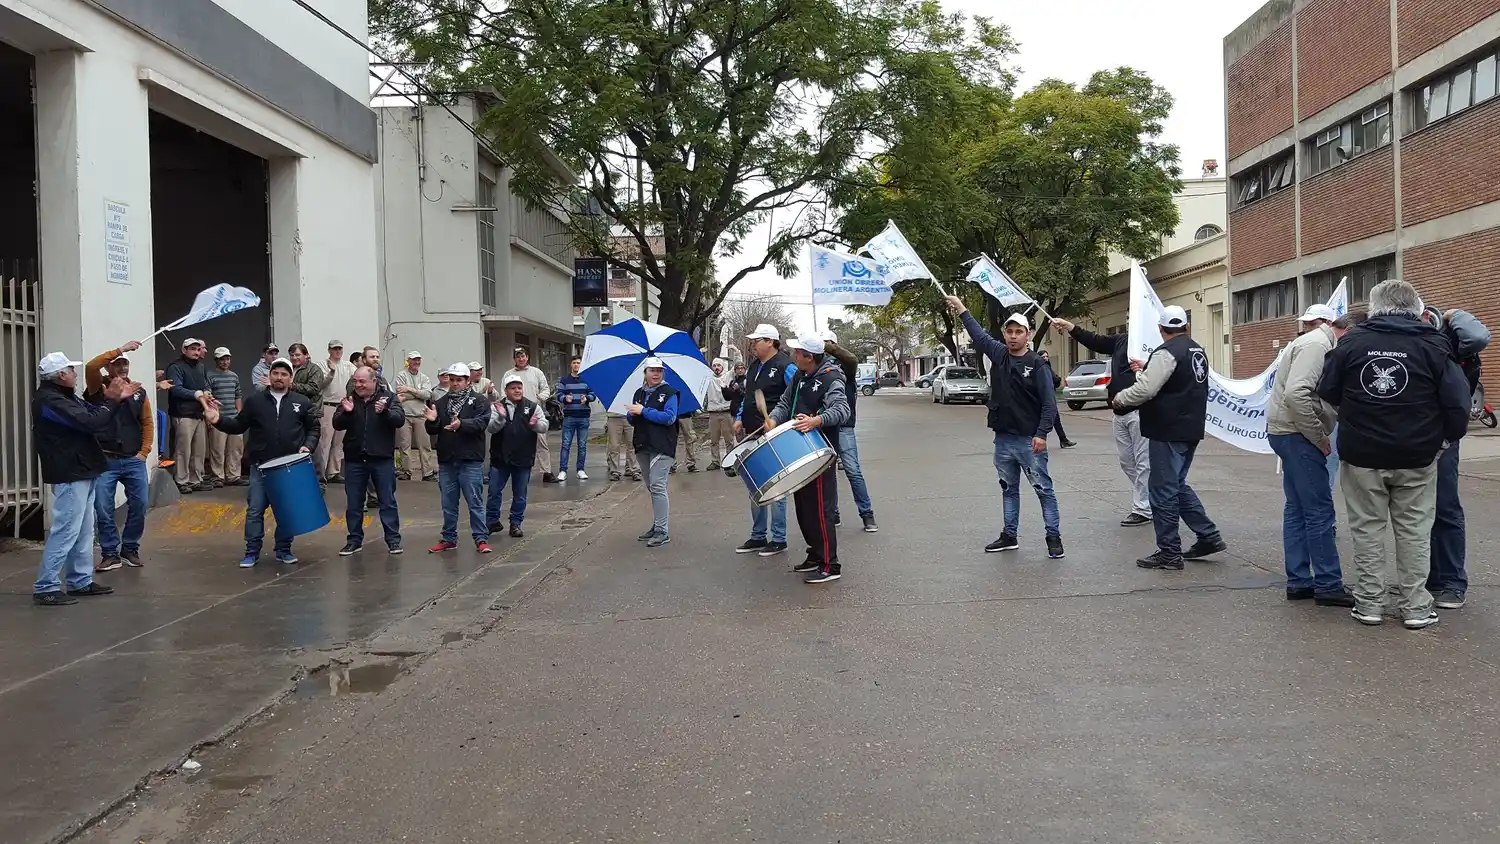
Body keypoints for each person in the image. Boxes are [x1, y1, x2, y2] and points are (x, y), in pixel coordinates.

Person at [1317, 280, 1469, 629]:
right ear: (1415, 307)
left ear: (1374, 307)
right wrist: (1445, 439)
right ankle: (1415, 607)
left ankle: (1369, 603)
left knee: (1367, 529)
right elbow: (1458, 402)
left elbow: (1327, 389)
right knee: (1414, 530)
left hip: (1362, 455)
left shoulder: (1352, 341)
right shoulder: (1433, 343)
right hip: (1417, 454)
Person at [945, 297, 1065, 559]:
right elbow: (978, 335)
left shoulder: (1037, 365)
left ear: (1028, 335)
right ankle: (1009, 535)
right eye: (1009, 332)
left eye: (1018, 332)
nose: (1013, 336)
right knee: (1008, 489)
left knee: (1043, 490)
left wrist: (1042, 434)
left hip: (1029, 441)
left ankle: (1053, 538)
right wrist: (962, 308)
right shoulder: (999, 355)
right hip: (1003, 440)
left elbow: (1049, 403)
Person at [1112, 305, 1225, 570]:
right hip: (1190, 427)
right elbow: (1174, 381)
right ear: (1186, 326)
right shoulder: (1196, 350)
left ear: (1161, 329)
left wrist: (1120, 399)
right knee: (1177, 485)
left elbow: (1147, 389)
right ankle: (1208, 535)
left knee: (1162, 490)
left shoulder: (1166, 352)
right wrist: (1146, 369)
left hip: (1167, 429)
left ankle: (1169, 552)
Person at [31, 352, 139, 605]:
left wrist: (113, 400)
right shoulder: (50, 401)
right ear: (61, 375)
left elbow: (93, 414)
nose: (75, 373)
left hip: (82, 468)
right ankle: (46, 585)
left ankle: (80, 580)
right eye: (71, 370)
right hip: (70, 471)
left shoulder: (62, 397)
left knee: (83, 531)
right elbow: (91, 422)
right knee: (67, 530)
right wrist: (112, 400)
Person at [1267, 303, 1353, 606]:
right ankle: (1328, 583)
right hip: (1297, 434)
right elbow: (1297, 393)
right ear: (1344, 330)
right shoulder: (1317, 345)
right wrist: (1319, 436)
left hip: (1285, 432)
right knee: (1318, 511)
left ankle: (1300, 580)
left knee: (1298, 509)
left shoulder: (1310, 342)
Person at [205, 358, 321, 567]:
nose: (279, 377)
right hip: (260, 467)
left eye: (284, 374)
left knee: (286, 509)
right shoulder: (254, 401)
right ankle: (251, 551)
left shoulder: (302, 402)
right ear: (269, 376)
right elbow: (238, 425)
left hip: (289, 467)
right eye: (276, 373)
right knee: (255, 510)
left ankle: (284, 549)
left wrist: (308, 446)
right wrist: (218, 420)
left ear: (290, 378)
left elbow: (313, 428)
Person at [767, 336, 852, 583]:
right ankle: (815, 554)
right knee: (804, 509)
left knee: (820, 509)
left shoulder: (831, 378)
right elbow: (785, 403)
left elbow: (841, 410)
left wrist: (816, 421)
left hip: (820, 454)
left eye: (798, 352)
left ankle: (830, 563)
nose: (794, 355)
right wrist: (773, 419)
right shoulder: (800, 376)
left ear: (809, 356)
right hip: (798, 453)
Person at [1421, 306, 1490, 611]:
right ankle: (1430, 578)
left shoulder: (1451, 338)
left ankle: (1451, 580)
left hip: (1444, 436)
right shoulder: (1409, 339)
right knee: (1416, 512)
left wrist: (1454, 314)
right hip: (1409, 436)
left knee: (1445, 506)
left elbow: (1478, 336)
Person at [1050, 317, 1150, 526]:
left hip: (1142, 412)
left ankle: (1143, 508)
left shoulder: (1152, 344)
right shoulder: (1121, 340)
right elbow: (1095, 340)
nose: (1132, 321)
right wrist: (1071, 328)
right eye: (1129, 318)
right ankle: (1153, 497)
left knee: (1143, 463)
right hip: (1119, 412)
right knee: (1127, 462)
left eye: (1135, 317)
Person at [83, 342, 154, 572]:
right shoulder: (97, 387)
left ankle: (130, 549)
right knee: (103, 508)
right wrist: (121, 349)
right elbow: (91, 366)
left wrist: (144, 452)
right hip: (106, 459)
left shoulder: (138, 391)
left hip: (133, 459)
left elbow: (147, 422)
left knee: (140, 504)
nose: (123, 367)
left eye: (125, 362)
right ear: (109, 368)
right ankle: (110, 553)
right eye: (117, 363)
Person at [733, 324, 795, 556]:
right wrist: (740, 417)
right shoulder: (754, 366)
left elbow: (795, 396)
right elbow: (749, 396)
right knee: (754, 485)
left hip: (775, 435)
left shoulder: (785, 366)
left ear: (770, 341)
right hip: (753, 432)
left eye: (756, 340)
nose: (752, 344)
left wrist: (780, 421)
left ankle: (779, 538)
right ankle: (758, 536)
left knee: (777, 487)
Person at [332, 366, 406, 555]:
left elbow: (399, 420)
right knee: (354, 503)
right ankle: (354, 540)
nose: (358, 385)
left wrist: (386, 411)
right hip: (355, 459)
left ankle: (393, 540)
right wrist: (346, 413)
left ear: (374, 381)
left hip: (381, 459)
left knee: (387, 501)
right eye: (356, 381)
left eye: (362, 381)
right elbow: (336, 423)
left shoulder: (388, 397)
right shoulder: (350, 399)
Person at [426, 363, 493, 554]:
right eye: (452, 380)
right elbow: (433, 430)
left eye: (459, 380)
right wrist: (432, 421)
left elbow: (482, 422)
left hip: (470, 459)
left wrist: (461, 424)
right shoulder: (440, 403)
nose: (454, 384)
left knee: (475, 501)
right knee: (448, 503)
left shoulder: (479, 401)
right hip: (447, 460)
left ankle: (481, 538)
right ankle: (449, 538)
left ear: (467, 381)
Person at [821, 334, 879, 533]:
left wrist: (830, 348)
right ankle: (833, 513)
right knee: (827, 473)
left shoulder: (844, 365)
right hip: (823, 425)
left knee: (852, 470)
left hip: (844, 425)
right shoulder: (818, 367)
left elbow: (852, 359)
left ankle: (867, 514)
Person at [486, 375, 550, 537]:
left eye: (519, 387)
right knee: (494, 492)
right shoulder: (497, 406)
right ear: (506, 390)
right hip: (500, 457)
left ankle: (516, 523)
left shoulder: (532, 406)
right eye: (513, 388)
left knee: (520, 494)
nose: (517, 390)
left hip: (523, 457)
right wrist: (500, 417)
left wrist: (536, 424)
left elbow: (544, 426)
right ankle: (492, 522)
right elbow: (491, 428)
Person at [628, 358, 679, 548]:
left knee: (658, 486)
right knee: (652, 487)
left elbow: (669, 418)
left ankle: (662, 531)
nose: (656, 374)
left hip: (662, 446)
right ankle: (657, 524)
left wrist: (644, 411)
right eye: (652, 370)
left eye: (659, 370)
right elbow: (635, 419)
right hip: (643, 444)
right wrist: (631, 414)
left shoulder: (670, 393)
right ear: (645, 373)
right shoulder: (639, 393)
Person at [164, 338, 213, 494]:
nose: (196, 352)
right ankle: (181, 480)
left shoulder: (201, 366)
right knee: (183, 450)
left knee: (199, 450)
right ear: (184, 349)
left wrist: (207, 392)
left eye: (198, 349)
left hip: (198, 413)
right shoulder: (175, 367)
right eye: (192, 349)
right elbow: (175, 389)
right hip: (182, 413)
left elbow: (205, 384)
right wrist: (197, 394)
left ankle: (195, 479)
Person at [502, 348, 554, 482]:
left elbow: (545, 388)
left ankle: (546, 471)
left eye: (523, 356)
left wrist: (540, 398)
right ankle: (514, 469)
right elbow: (503, 393)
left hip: (533, 412)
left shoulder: (536, 372)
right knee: (514, 441)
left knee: (541, 443)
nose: (521, 359)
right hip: (514, 414)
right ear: (514, 359)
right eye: (518, 357)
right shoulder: (508, 374)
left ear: (527, 357)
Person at [394, 351, 437, 482]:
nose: (416, 362)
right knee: (404, 444)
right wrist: (418, 394)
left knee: (425, 445)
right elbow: (400, 395)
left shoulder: (424, 377)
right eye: (413, 360)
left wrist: (410, 390)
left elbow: (428, 395)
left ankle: (427, 472)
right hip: (405, 414)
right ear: (408, 361)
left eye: (418, 360)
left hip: (421, 414)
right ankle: (406, 471)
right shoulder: (401, 375)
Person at [206, 347, 246, 488]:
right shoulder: (210, 375)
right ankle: (218, 476)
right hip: (219, 418)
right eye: (222, 359)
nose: (225, 362)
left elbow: (238, 395)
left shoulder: (234, 376)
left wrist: (240, 414)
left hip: (234, 417)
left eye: (227, 359)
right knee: (217, 448)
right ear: (216, 360)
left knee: (235, 448)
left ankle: (233, 476)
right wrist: (211, 418)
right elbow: (208, 397)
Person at [319, 340, 356, 483]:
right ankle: (321, 472)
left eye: (340, 348)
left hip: (343, 405)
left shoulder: (348, 366)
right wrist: (332, 371)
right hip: (327, 404)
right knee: (325, 441)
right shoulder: (322, 364)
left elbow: (355, 380)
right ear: (329, 350)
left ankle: (333, 472)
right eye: (334, 349)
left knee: (339, 442)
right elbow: (321, 384)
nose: (337, 351)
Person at [554, 356, 595, 481]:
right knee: (566, 444)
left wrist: (587, 398)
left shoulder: (587, 379)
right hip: (569, 416)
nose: (576, 365)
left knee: (582, 445)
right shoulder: (565, 380)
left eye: (578, 363)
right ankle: (562, 470)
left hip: (583, 417)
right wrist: (565, 399)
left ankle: (580, 469)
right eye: (574, 363)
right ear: (571, 365)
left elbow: (593, 394)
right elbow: (558, 394)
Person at [1037, 350, 1077, 449]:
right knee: (1044, 420)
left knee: (1056, 420)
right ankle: (1039, 439)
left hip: (1050, 397)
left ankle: (1063, 440)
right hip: (1043, 399)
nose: (1046, 358)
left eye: (1047, 356)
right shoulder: (1042, 368)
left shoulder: (1047, 367)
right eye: (1043, 356)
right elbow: (1053, 380)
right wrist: (1057, 379)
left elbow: (1055, 381)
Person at [703, 359, 735, 471]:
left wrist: (736, 352)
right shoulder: (709, 378)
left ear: (722, 367)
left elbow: (736, 366)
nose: (716, 367)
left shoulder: (727, 376)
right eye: (714, 365)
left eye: (718, 365)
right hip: (713, 413)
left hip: (726, 412)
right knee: (714, 440)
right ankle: (715, 461)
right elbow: (701, 368)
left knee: (729, 439)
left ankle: (730, 461)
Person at [722, 362, 747, 478]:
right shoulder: (733, 381)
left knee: (744, 438)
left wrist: (738, 390)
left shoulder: (746, 381)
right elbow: (729, 397)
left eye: (742, 368)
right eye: (738, 368)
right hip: (734, 413)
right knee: (738, 438)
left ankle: (746, 462)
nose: (740, 370)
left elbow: (746, 396)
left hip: (743, 415)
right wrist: (724, 389)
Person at [605, 405, 641, 482]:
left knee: (632, 444)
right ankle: (614, 471)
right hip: (613, 417)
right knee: (614, 445)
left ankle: (633, 469)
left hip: (631, 415)